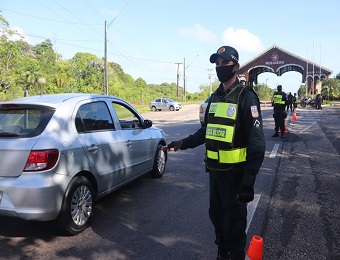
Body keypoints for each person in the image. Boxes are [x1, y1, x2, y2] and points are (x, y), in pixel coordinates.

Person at [162, 46, 266, 260]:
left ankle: (234, 254)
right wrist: (181, 143)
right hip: (215, 172)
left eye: (224, 63)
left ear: (235, 67)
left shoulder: (246, 97)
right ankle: (222, 251)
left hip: (236, 175)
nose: (220, 68)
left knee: (234, 223)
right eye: (217, 64)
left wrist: (248, 182)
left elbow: (257, 143)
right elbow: (206, 132)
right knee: (216, 216)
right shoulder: (215, 97)